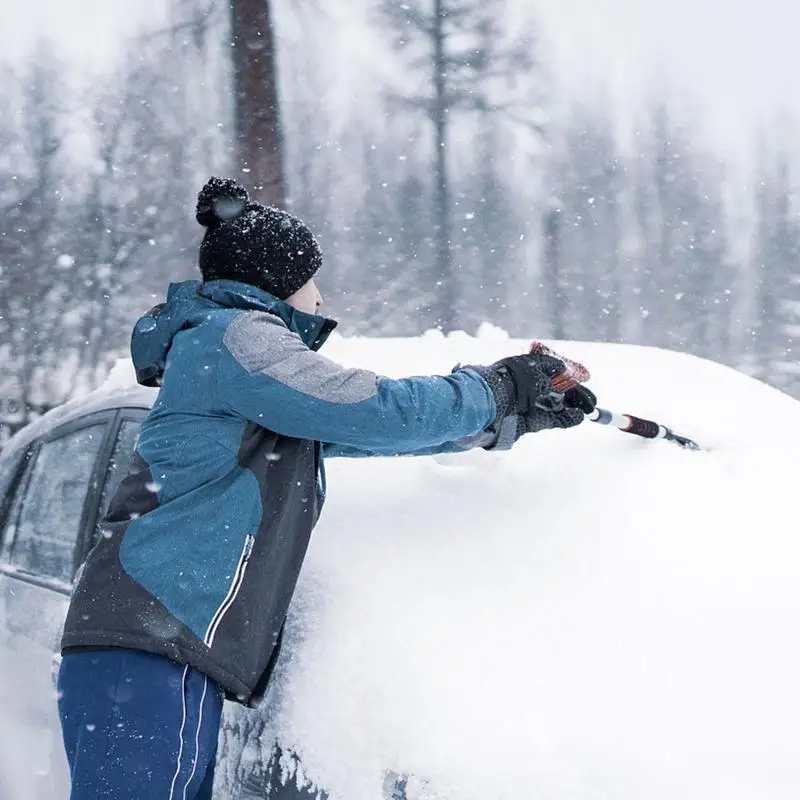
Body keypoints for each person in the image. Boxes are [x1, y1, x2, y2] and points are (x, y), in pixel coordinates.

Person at [57, 176, 595, 799]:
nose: (322, 295)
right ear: (278, 283)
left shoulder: (232, 359)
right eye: (313, 278)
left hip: (152, 641)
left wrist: (504, 420)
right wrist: (496, 385)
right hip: (151, 638)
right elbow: (370, 410)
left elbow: (362, 434)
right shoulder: (236, 338)